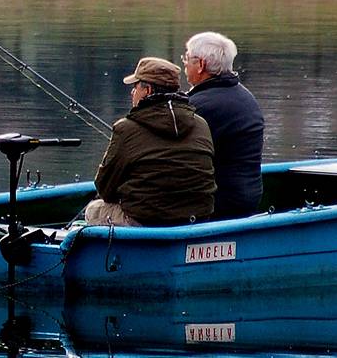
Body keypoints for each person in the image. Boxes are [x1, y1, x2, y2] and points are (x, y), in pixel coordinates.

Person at [80, 56, 216, 227]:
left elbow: (104, 188)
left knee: (94, 209)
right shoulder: (201, 124)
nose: (132, 92)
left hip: (145, 221)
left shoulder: (126, 128)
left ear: (148, 90)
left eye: (135, 87)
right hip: (198, 218)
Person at [182, 31, 265, 220]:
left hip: (220, 202)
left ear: (201, 64)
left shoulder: (201, 106)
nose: (185, 63)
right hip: (249, 196)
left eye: (187, 58)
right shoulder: (244, 96)